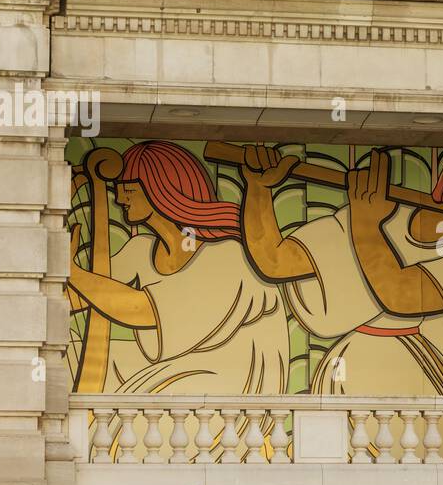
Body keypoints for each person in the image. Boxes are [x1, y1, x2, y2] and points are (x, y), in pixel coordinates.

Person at [242, 145, 443, 396]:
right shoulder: (387, 212)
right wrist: (259, 189)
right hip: (346, 367)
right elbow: (275, 261)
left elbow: (400, 296)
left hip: (422, 372)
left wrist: (366, 226)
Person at [67, 140, 291, 399]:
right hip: (175, 371)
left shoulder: (228, 257)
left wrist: (74, 273)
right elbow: (86, 297)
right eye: (117, 189)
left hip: (226, 382)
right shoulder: (141, 249)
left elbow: (139, 310)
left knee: (145, 391)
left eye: (128, 188)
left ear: (162, 187)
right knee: (74, 349)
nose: (118, 198)